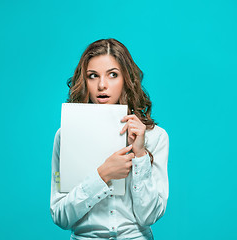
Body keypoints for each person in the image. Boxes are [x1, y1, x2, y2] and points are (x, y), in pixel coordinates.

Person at [50, 38, 169, 240]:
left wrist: (140, 155)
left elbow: (149, 216)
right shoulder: (66, 135)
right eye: (93, 76)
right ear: (84, 81)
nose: (102, 85)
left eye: (113, 75)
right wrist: (102, 175)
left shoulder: (155, 136)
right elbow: (61, 216)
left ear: (126, 79)